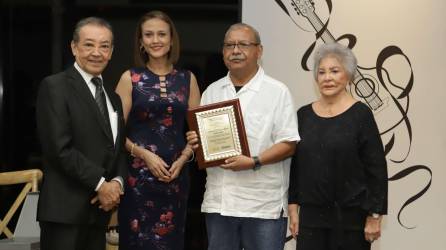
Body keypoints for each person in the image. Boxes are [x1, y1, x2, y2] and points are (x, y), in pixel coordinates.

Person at [186, 23, 299, 250]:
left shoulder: (277, 92)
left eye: (243, 44)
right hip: (220, 202)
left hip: (263, 205)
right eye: (229, 45)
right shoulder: (212, 92)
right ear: (223, 52)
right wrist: (197, 141)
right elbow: (204, 145)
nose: (235, 50)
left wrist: (254, 161)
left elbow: (289, 144)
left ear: (259, 51)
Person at [36, 17, 127, 250]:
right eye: (89, 44)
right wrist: (101, 184)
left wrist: (116, 183)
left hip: (98, 213)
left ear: (111, 51)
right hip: (64, 214)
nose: (96, 52)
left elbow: (115, 149)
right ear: (74, 47)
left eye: (104, 46)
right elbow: (59, 149)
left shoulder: (112, 96)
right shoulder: (55, 87)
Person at [288, 42, 388, 250]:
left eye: (335, 71)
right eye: (322, 72)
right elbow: (296, 166)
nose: (327, 78)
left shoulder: (361, 114)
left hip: (352, 221)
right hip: (311, 220)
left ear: (348, 75)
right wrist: (293, 208)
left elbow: (376, 169)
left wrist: (374, 215)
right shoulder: (303, 116)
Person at [115, 10, 200, 250]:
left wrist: (183, 159)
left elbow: (199, 132)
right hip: (137, 180)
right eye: (149, 35)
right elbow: (113, 133)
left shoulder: (188, 79)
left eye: (161, 34)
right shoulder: (129, 78)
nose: (155, 40)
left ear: (171, 39)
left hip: (176, 178)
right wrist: (144, 154)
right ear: (141, 42)